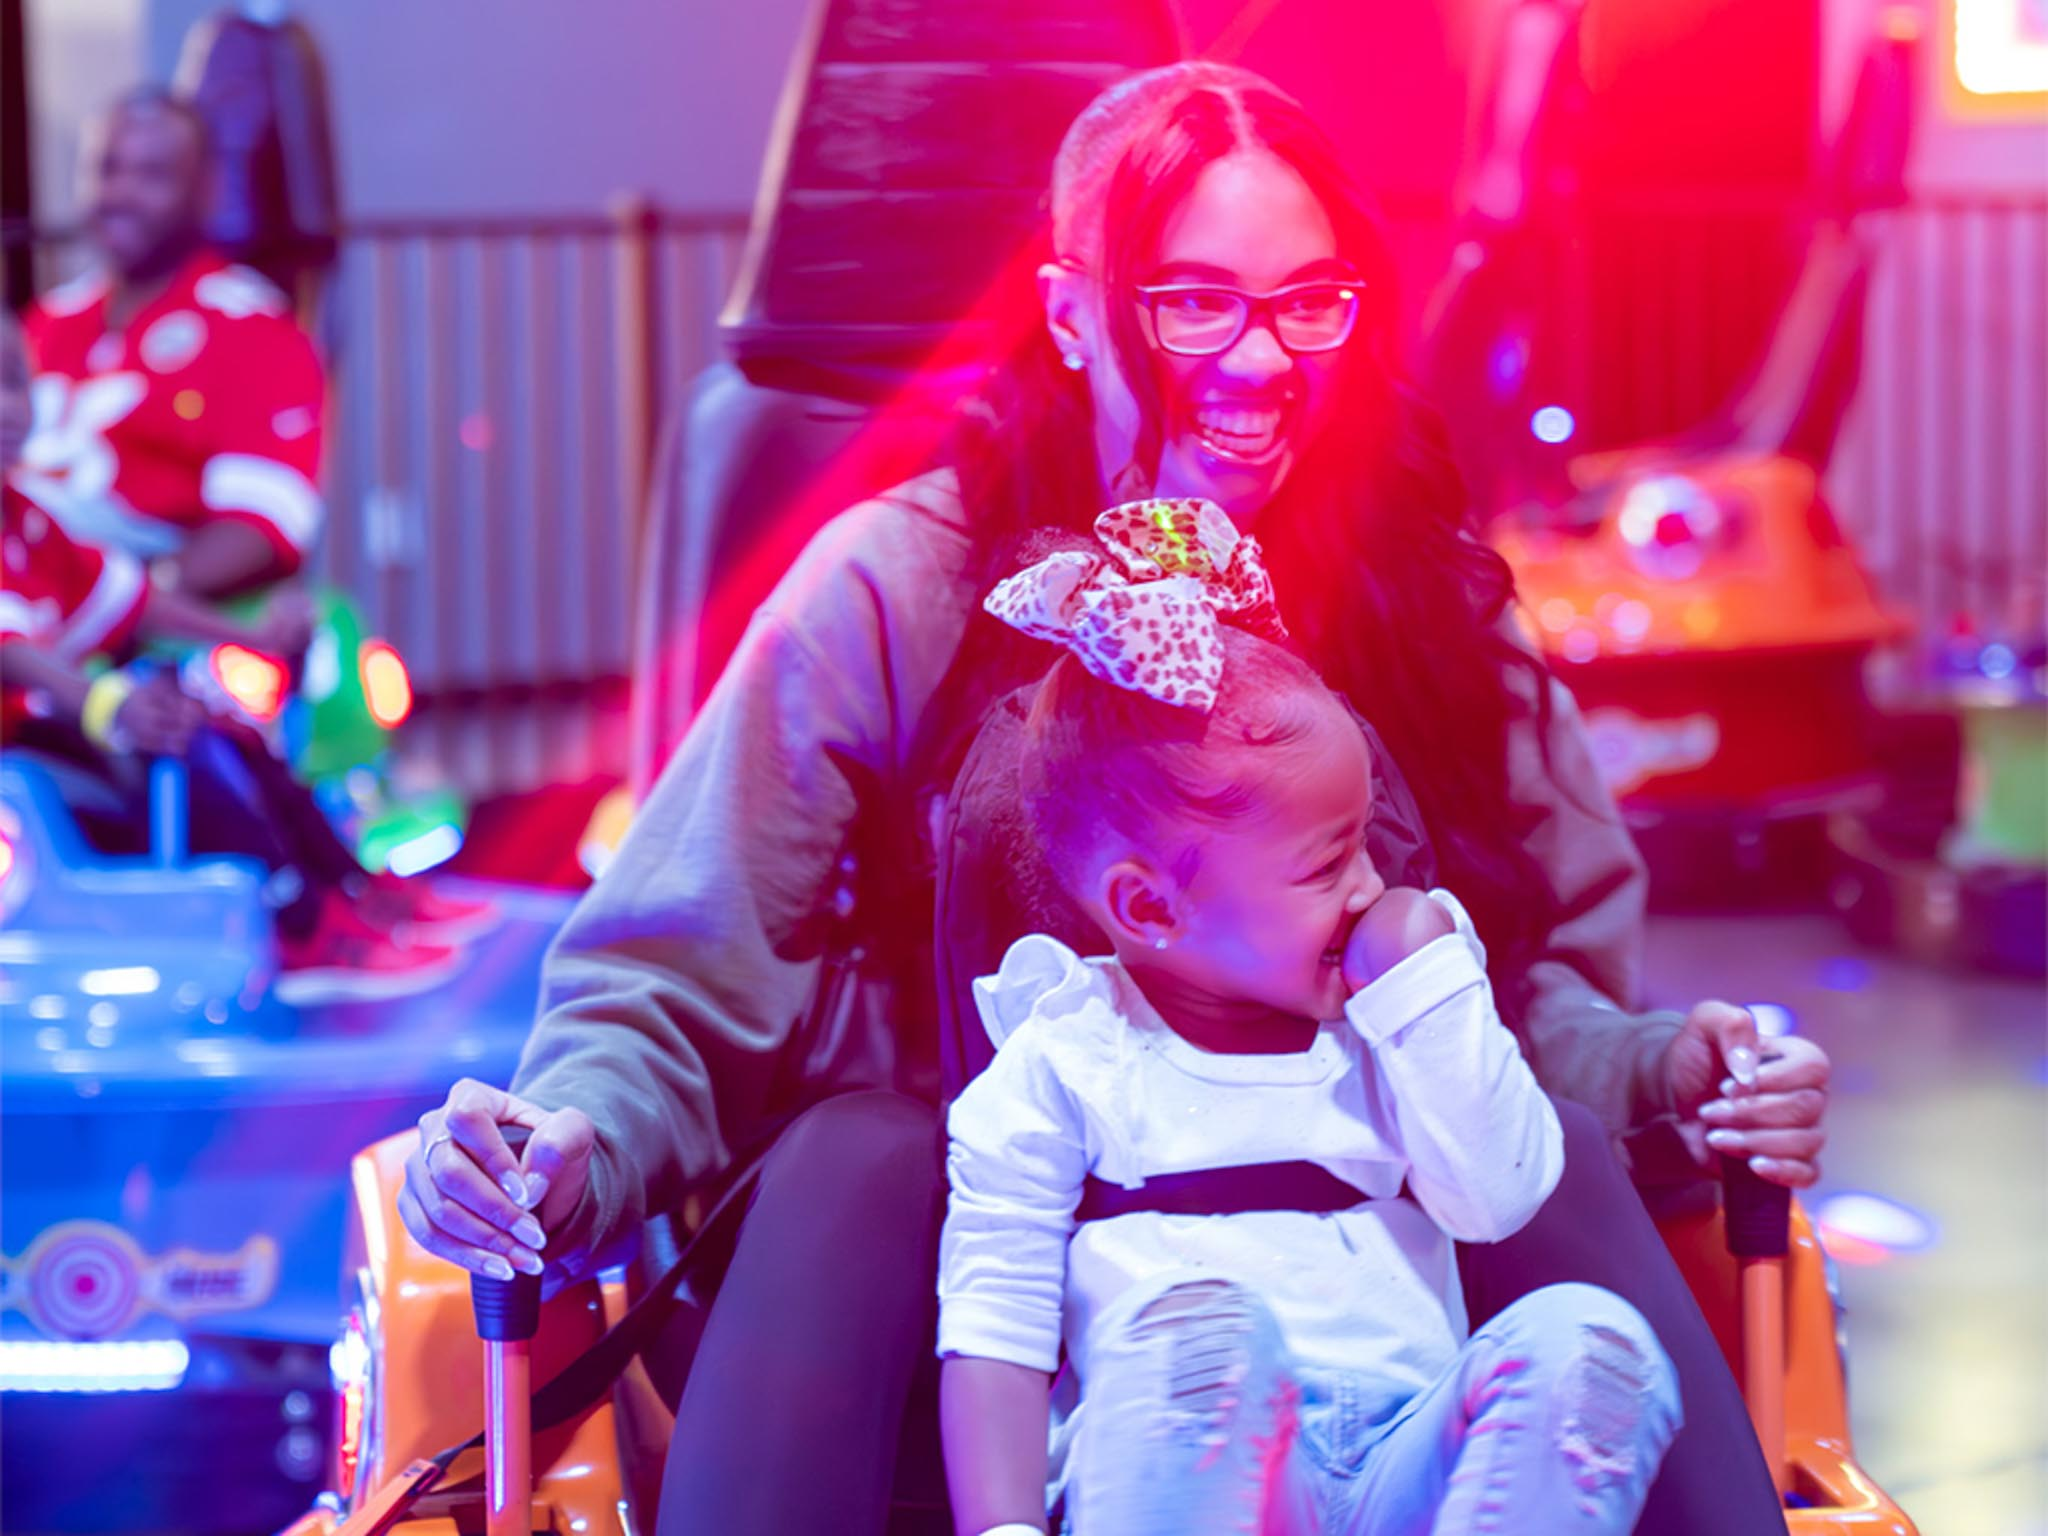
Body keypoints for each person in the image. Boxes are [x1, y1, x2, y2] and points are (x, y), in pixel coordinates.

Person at [402, 63, 1827, 1533]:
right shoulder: (909, 581)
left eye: (1307, 301)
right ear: (1072, 311)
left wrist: (1678, 1069)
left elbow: (1527, 1016)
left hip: (1371, 1277)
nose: (1262, 361)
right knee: (857, 1155)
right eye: (1193, 301)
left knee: (1567, 1156)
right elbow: (674, 977)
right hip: (990, 1298)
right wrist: (567, 1139)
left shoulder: (1440, 605)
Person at [940, 499, 1679, 1534]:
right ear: (1149, 909)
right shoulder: (1066, 1062)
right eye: (1327, 864)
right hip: (1190, 1485)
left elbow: (1497, 1199)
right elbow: (994, 1333)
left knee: (1589, 1343)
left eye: (1363, 844)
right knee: (1198, 1342)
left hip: (1396, 1481)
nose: (1369, 885)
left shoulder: (1389, 1029)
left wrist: (1420, 980)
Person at [0, 307, 462, 1002]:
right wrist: (106, 705)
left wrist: (250, 638)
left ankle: (355, 895)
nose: (8, 407)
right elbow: (12, 653)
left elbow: (132, 599)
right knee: (180, 742)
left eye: (16, 382)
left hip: (45, 725)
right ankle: (298, 927)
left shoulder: (28, 516)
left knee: (229, 725)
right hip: (23, 745)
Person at [16, 88, 324, 599]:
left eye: (152, 175)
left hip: (128, 613)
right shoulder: (47, 321)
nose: (119, 194)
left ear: (207, 190)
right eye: (108, 170)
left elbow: (263, 525)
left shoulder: (253, 332)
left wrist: (124, 603)